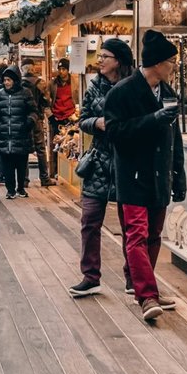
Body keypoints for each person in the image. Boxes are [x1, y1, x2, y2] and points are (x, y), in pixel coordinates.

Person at [103, 31, 187, 321]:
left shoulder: (168, 94)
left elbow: (174, 136)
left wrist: (178, 173)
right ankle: (147, 295)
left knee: (153, 236)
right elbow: (114, 132)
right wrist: (151, 121)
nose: (174, 67)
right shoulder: (122, 92)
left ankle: (147, 285)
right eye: (171, 62)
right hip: (133, 175)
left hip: (159, 175)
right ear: (158, 64)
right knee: (136, 235)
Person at [67, 38, 135, 298]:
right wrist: (97, 123)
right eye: (100, 55)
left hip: (127, 161)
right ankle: (90, 276)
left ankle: (133, 277)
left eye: (105, 56)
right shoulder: (94, 86)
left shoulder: (134, 86)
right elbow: (83, 119)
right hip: (98, 161)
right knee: (89, 220)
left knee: (129, 224)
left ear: (118, 60)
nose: (100, 60)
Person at [0, 66, 36, 198]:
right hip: (5, 134)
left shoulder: (26, 93)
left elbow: (33, 110)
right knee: (7, 165)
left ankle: (21, 187)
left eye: (9, 80)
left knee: (21, 164)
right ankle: (10, 190)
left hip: (21, 134)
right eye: (4, 80)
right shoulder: (0, 94)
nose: (6, 83)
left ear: (15, 80)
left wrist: (29, 121)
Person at [24, 67, 53, 187]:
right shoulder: (40, 83)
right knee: (41, 149)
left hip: (25, 120)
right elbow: (47, 102)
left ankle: (24, 180)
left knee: (24, 150)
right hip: (37, 119)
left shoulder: (20, 83)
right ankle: (44, 178)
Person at [48, 59, 76, 182]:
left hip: (71, 117)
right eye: (59, 69)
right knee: (55, 146)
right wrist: (51, 116)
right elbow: (48, 101)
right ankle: (55, 172)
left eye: (63, 69)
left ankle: (69, 174)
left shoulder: (75, 82)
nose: (61, 71)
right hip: (57, 118)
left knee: (70, 146)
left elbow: (77, 97)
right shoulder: (53, 84)